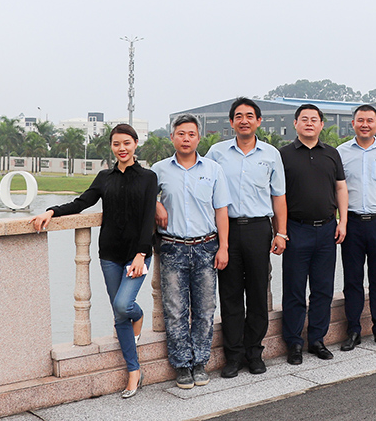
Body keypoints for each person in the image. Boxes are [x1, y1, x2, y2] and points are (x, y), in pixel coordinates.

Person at [31, 124, 157, 399]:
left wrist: (141, 254)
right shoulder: (104, 177)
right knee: (119, 314)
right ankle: (134, 370)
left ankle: (138, 314)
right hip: (109, 254)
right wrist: (52, 211)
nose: (121, 148)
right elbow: (81, 202)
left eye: (126, 143)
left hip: (136, 255)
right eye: (116, 144)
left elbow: (149, 217)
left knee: (124, 306)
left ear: (136, 144)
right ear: (111, 146)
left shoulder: (148, 177)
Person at [204, 97, 287, 377]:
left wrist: (281, 233)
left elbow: (278, 196)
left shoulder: (271, 154)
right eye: (238, 116)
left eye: (249, 116)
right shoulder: (217, 153)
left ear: (258, 121)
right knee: (230, 295)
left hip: (258, 229)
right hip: (226, 230)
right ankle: (233, 356)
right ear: (231, 122)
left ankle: (254, 353)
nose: (244, 120)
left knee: (258, 292)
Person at [152, 114, 231, 389]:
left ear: (199, 138)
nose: (186, 139)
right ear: (172, 137)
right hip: (172, 247)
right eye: (181, 134)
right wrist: (155, 204)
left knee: (205, 309)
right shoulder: (159, 170)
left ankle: (200, 362)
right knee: (175, 310)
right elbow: (143, 195)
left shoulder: (213, 169)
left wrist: (223, 247)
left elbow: (221, 210)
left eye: (191, 134)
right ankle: (182, 365)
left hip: (206, 246)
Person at [279, 104, 348, 365]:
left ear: (321, 125)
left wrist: (343, 221)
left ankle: (317, 339)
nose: (309, 123)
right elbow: (277, 195)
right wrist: (280, 231)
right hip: (296, 229)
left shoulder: (332, 153)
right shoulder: (283, 155)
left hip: (328, 229)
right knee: (294, 289)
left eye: (314, 119)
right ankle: (294, 342)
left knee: (323, 288)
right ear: (295, 123)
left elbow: (341, 188)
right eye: (304, 119)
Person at [337, 105, 376, 351]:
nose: (365, 124)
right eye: (360, 120)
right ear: (353, 123)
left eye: (370, 121)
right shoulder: (341, 153)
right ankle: (353, 330)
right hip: (352, 223)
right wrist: (341, 222)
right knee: (352, 279)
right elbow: (337, 190)